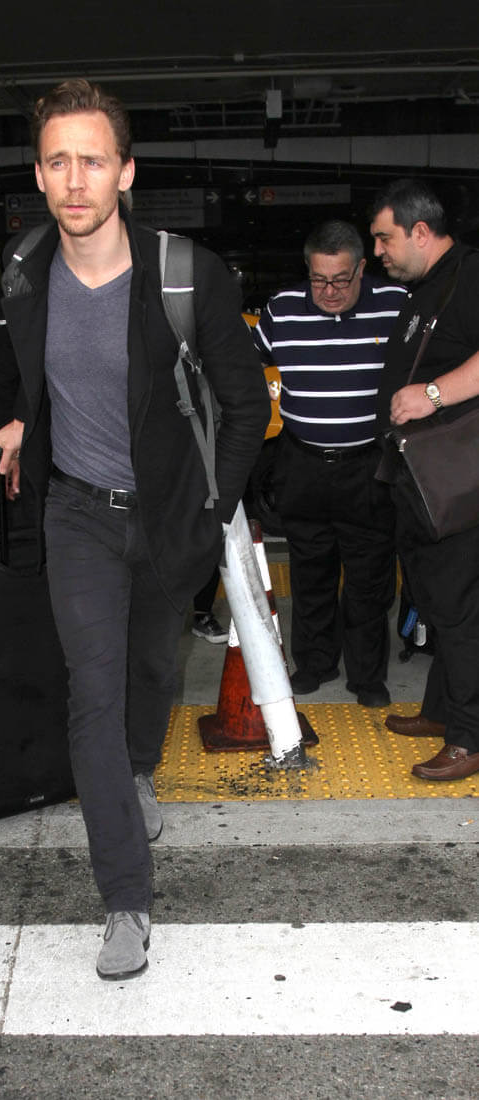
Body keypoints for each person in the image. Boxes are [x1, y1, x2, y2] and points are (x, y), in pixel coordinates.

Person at [0, 78, 269, 980]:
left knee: (152, 672)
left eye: (93, 161)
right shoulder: (23, 270)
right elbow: (25, 377)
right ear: (38, 174)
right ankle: (125, 898)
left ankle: (139, 770)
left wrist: (213, 509)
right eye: (58, 162)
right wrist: (22, 421)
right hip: (76, 513)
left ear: (126, 172)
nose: (76, 181)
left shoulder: (186, 274)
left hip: (171, 515)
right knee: (92, 697)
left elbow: (245, 406)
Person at [252, 220, 406, 708]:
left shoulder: (395, 304)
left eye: (341, 279)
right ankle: (315, 664)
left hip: (368, 465)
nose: (329, 291)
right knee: (309, 569)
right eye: (319, 279)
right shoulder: (282, 310)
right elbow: (237, 362)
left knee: (369, 576)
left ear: (361, 269)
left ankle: (367, 676)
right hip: (303, 464)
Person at [370, 178, 479, 781]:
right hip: (422, 481)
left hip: (457, 485)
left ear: (419, 231)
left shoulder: (470, 274)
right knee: (438, 600)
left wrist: (432, 395)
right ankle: (442, 711)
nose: (378, 251)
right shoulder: (426, 288)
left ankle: (469, 735)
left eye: (384, 238)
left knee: (461, 611)